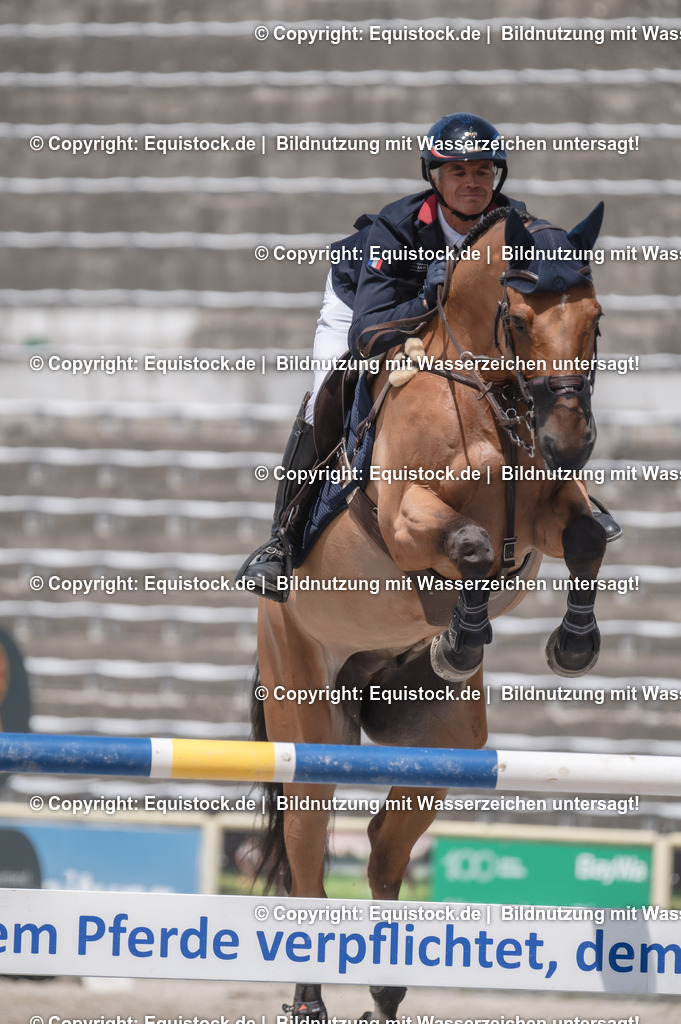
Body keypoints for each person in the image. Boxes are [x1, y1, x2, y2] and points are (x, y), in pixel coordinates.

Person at [237, 113, 618, 600]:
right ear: (434, 177)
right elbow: (369, 331)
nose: (472, 182)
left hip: (452, 334)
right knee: (327, 395)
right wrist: (428, 295)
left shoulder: (515, 227)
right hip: (364, 308)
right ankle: (284, 541)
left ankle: (568, 497)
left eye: (482, 171)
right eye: (457, 171)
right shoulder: (396, 229)